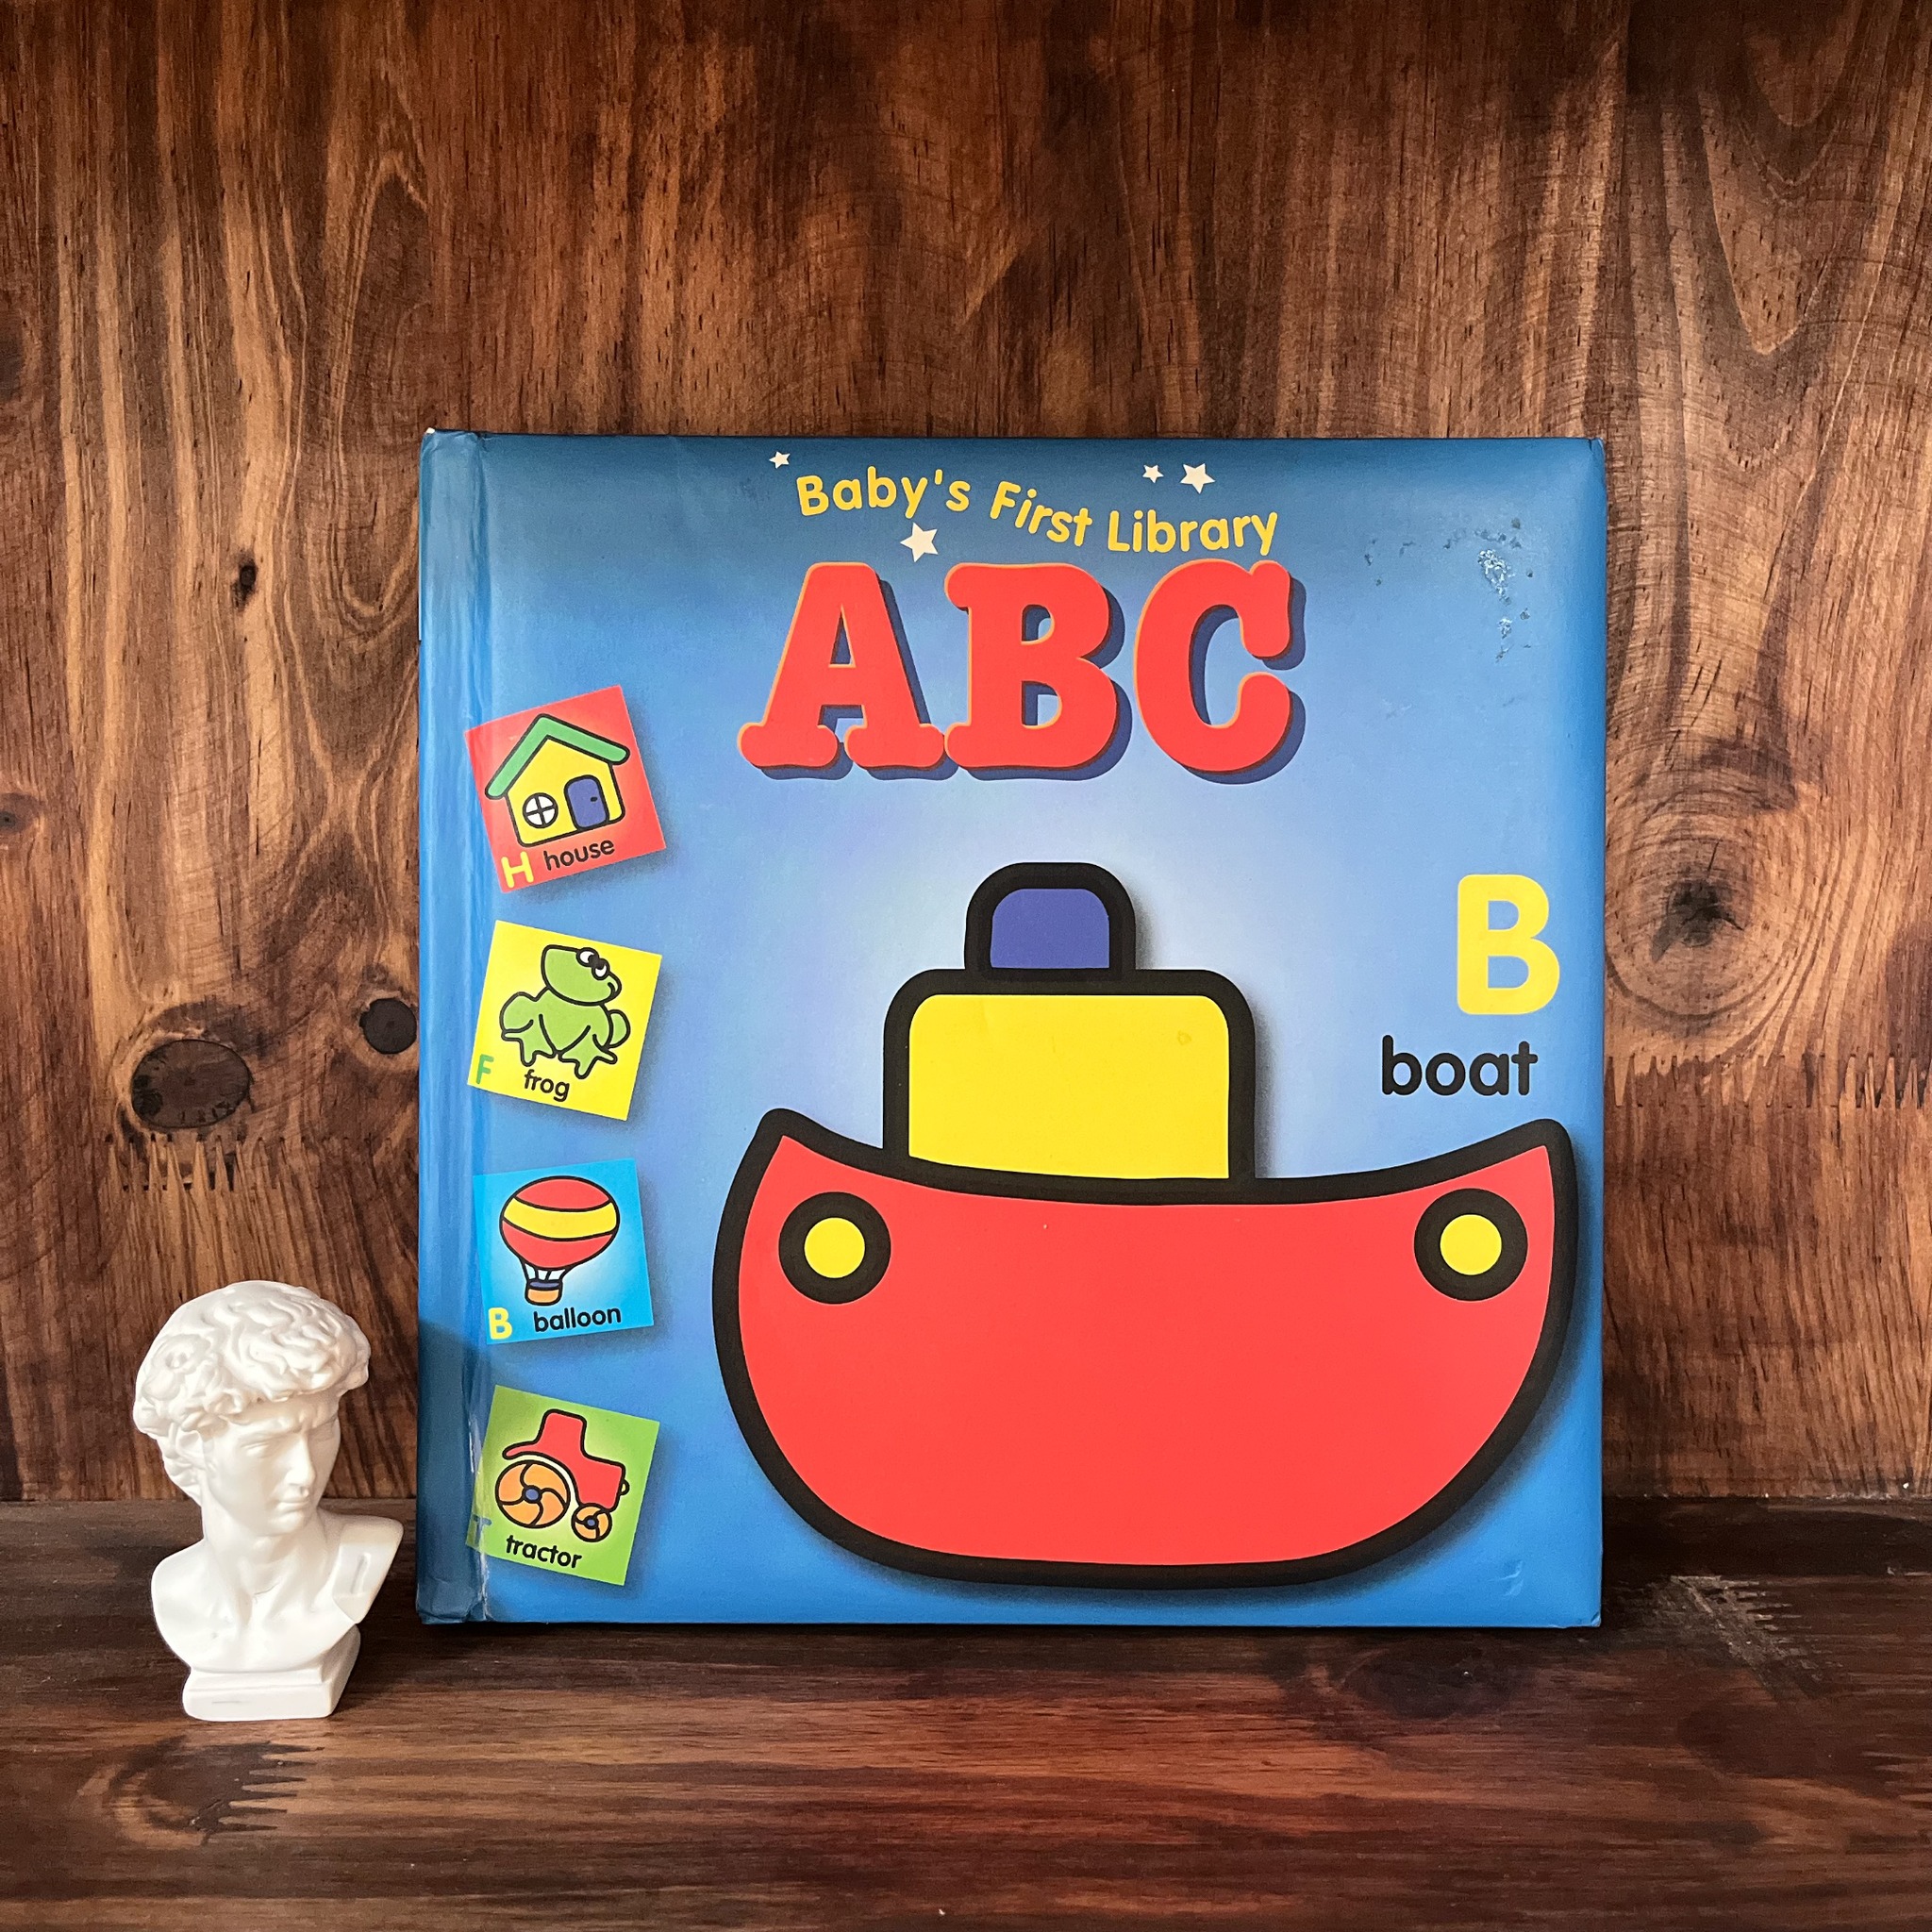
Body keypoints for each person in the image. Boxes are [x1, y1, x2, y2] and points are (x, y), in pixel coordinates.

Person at [133, 1280, 400, 1717]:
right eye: (266, 1446)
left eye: (322, 1431)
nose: (306, 1472)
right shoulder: (177, 1592)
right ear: (191, 1447)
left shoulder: (364, 1556)